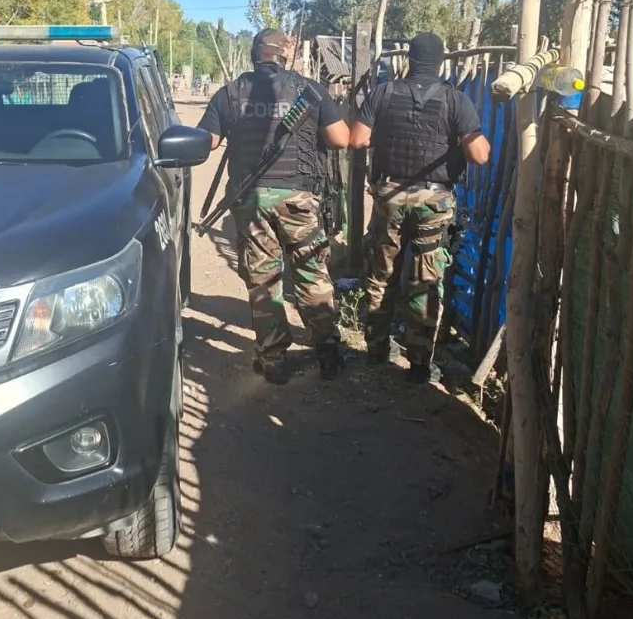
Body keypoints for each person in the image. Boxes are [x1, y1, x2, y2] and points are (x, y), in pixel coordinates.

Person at [197, 28, 350, 384]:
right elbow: (341, 139)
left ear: (254, 54)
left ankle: (273, 361)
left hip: (250, 200)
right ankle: (327, 352)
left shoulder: (230, 93)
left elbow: (206, 143)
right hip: (299, 197)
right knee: (312, 272)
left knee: (263, 279)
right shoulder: (308, 90)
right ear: (284, 55)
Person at [348, 32, 491, 384]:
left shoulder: (383, 92)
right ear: (441, 62)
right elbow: (480, 154)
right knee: (425, 279)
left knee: (382, 274)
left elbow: (357, 139)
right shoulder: (456, 101)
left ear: (409, 59)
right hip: (433, 201)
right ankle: (419, 364)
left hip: (390, 195)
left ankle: (377, 351)